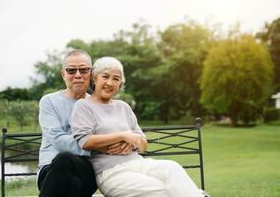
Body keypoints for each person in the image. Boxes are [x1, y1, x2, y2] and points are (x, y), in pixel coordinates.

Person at [70, 57, 205, 197]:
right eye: (105, 76)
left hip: (138, 164)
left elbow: (143, 145)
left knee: (172, 168)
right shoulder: (84, 106)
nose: (110, 83)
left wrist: (132, 143)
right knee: (166, 191)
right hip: (111, 174)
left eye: (116, 79)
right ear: (95, 78)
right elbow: (85, 141)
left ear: (120, 84)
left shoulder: (123, 107)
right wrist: (123, 136)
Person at [37, 50, 131, 197]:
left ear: (92, 74)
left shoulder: (96, 104)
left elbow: (112, 135)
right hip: (50, 171)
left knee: (69, 167)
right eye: (71, 70)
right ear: (63, 74)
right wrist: (97, 148)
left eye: (84, 69)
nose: (78, 74)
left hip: (86, 170)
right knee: (69, 174)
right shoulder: (49, 102)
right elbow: (58, 140)